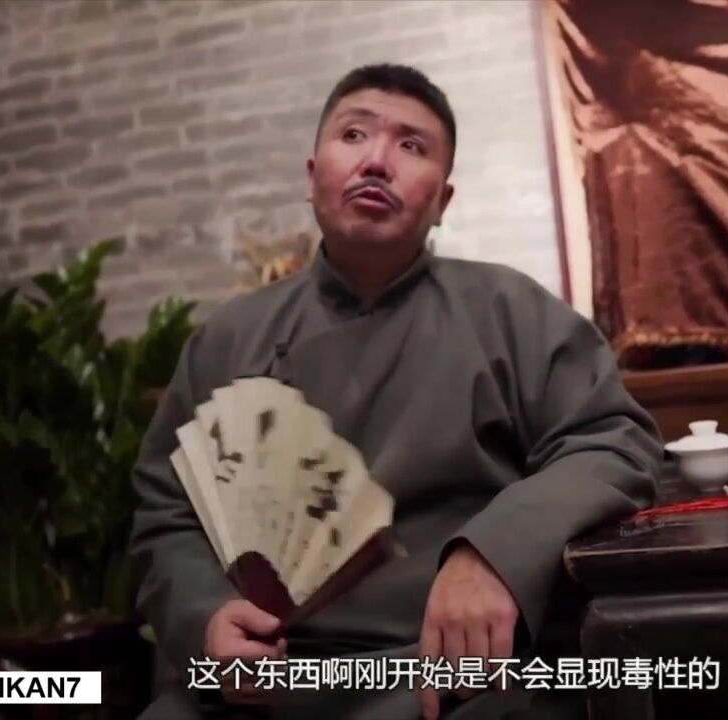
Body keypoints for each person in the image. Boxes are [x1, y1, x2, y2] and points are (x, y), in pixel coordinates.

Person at [130, 63, 666, 719]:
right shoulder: (228, 339)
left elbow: (615, 441)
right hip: (267, 684)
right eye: (354, 135)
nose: (377, 162)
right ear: (312, 176)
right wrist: (206, 615)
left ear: (442, 200)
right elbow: (167, 512)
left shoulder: (510, 312)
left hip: (448, 672)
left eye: (411, 145)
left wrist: (494, 553)